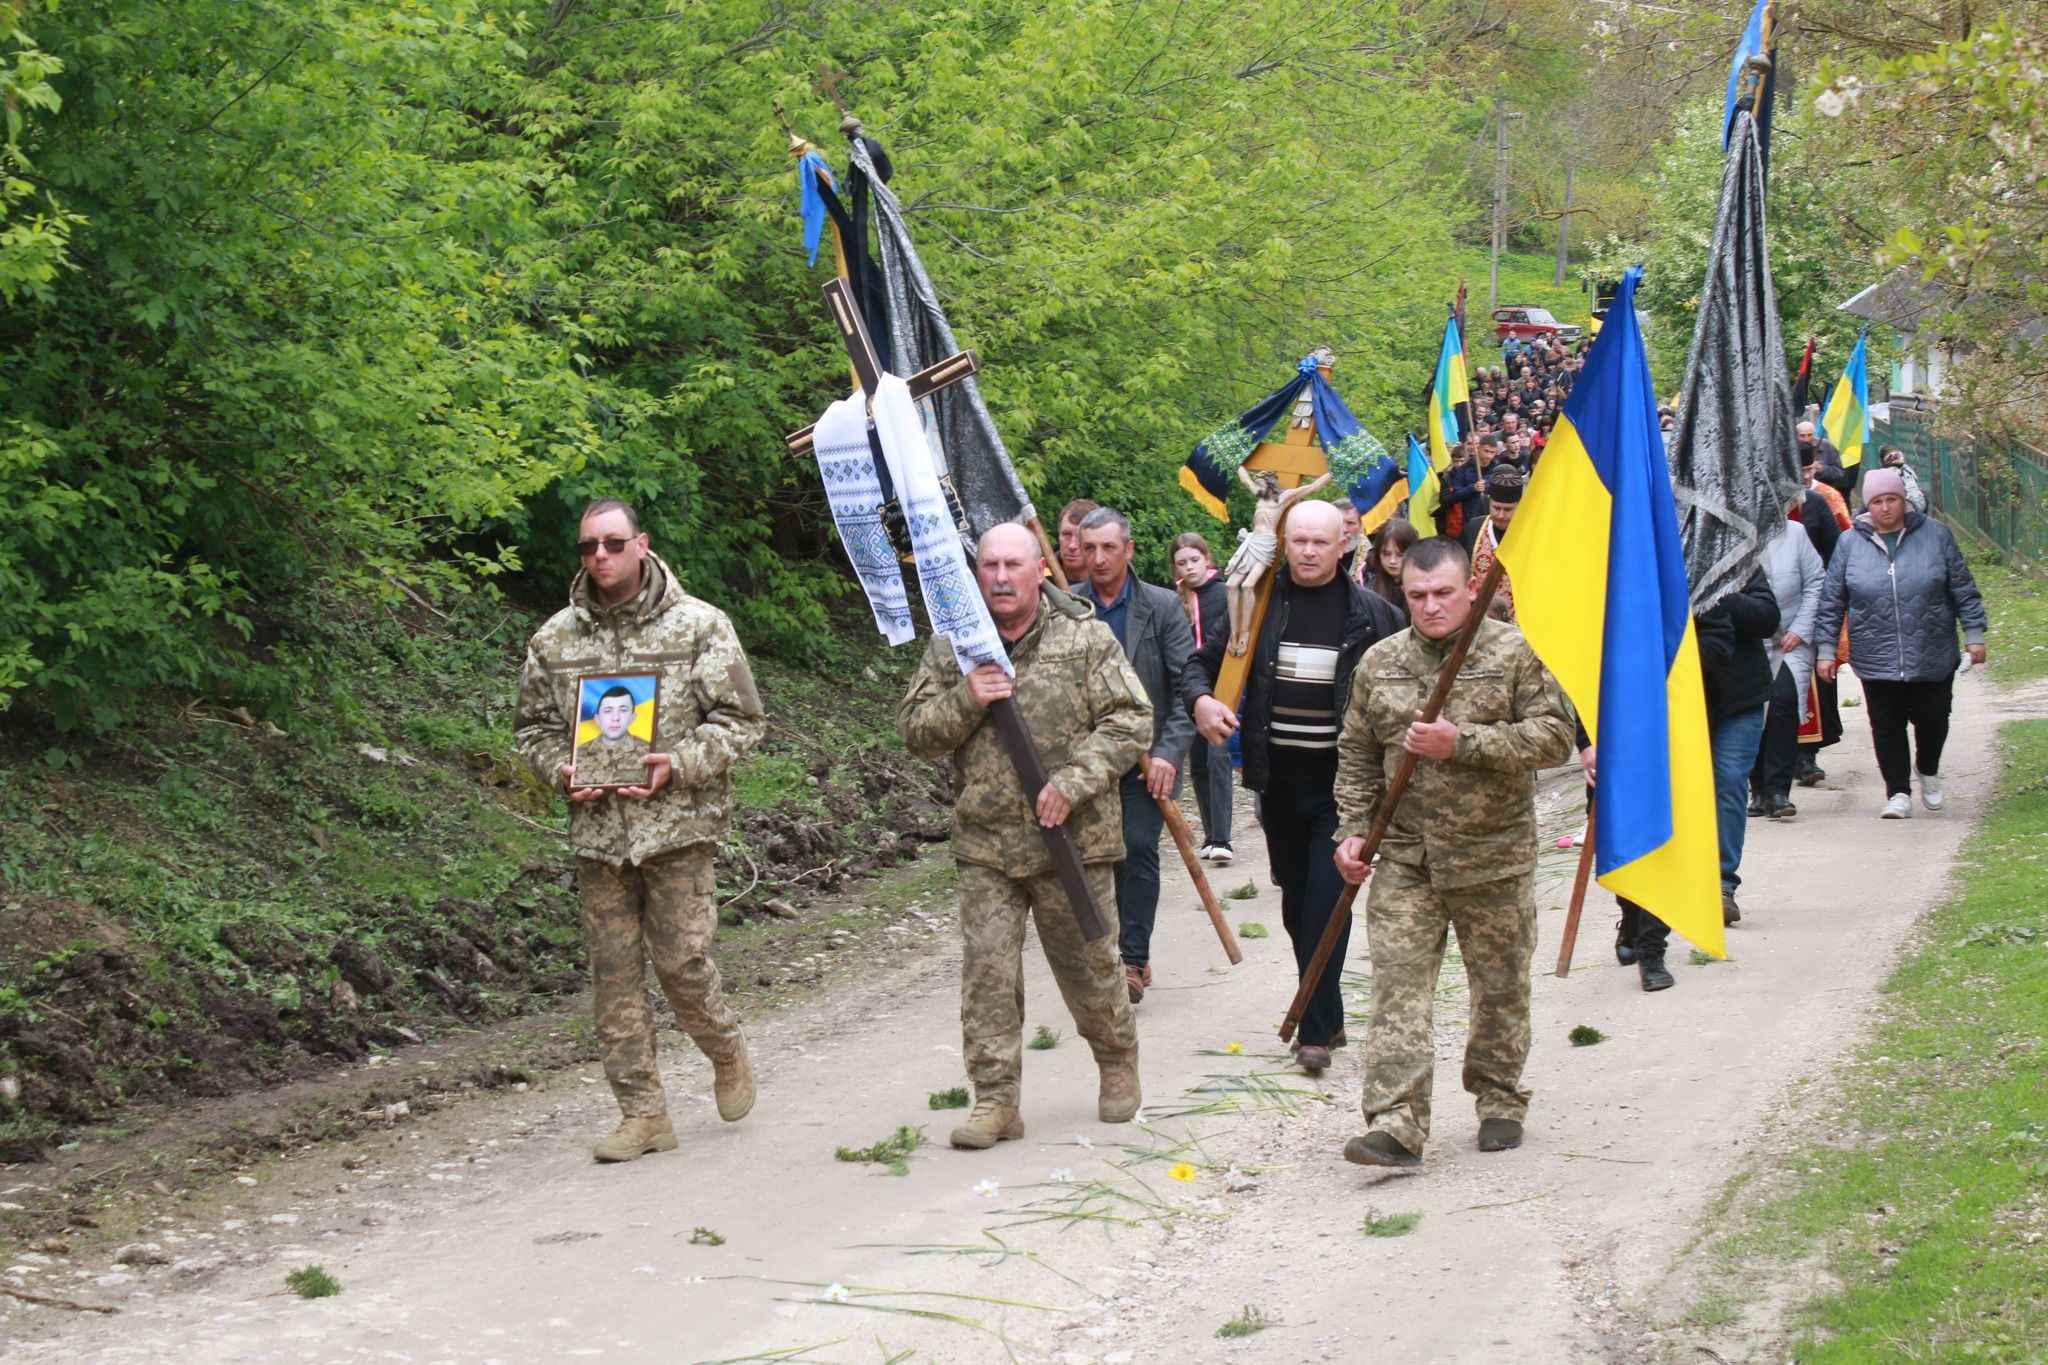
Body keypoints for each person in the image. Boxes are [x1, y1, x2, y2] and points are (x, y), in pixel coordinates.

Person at [514, 499, 765, 1163]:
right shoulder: (554, 640)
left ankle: (724, 1046)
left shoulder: (699, 625)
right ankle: (643, 1113)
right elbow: (532, 730)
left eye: (612, 543)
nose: (599, 555)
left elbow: (742, 719)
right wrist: (560, 769)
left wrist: (677, 765)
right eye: (588, 546)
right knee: (614, 977)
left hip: (678, 829)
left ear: (641, 543)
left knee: (682, 964)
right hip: (600, 836)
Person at [898, 523, 1149, 1148]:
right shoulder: (954, 646)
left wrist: (1073, 782)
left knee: (1089, 967)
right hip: (987, 843)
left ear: (1041, 570)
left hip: (1072, 841)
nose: (1001, 577)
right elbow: (915, 731)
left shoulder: (1084, 637)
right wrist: (967, 698)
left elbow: (1130, 720)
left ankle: (1116, 1059)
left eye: (1014, 565)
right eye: (990, 565)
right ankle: (995, 1099)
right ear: (975, 573)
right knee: (987, 973)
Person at [1332, 537, 1574, 1167]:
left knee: (1499, 988)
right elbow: (1357, 751)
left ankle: (1499, 1098)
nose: (1431, 606)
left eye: (1443, 593)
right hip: (1407, 858)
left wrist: (1460, 742)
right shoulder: (1380, 662)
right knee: (1398, 988)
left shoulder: (1514, 652)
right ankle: (1396, 1122)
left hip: (1492, 855)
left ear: (1471, 589)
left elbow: (1555, 738)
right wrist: (1352, 830)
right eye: (1417, 595)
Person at [1185, 501, 1404, 1074]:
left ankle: (1312, 1032)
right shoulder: (1256, 605)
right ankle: (1330, 1017)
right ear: (1285, 543)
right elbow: (1199, 666)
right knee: (1297, 902)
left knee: (1327, 900)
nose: (1308, 551)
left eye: (1319, 542)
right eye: (1299, 540)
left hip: (1344, 790)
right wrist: (1202, 701)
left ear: (1342, 546)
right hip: (1277, 784)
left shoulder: (1374, 616)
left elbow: (1414, 675)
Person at [1815, 468, 1988, 818]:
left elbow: (1962, 588)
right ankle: (1897, 792)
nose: (1885, 508)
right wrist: (1826, 650)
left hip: (1931, 649)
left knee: (1933, 717)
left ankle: (1928, 769)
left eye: (1892, 499)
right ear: (1867, 505)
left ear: (1903, 500)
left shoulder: (1936, 535)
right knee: (1886, 725)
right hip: (1875, 651)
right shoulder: (1850, 543)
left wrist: (1974, 634)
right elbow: (1832, 600)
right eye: (1877, 501)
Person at [1075, 507, 1197, 1003]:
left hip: (1147, 760)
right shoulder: (1067, 606)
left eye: (1109, 547)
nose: (1099, 558)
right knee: (1096, 859)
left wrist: (1168, 753)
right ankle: (1106, 956)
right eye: (1089, 548)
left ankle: (1131, 959)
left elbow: (1189, 687)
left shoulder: (1162, 606)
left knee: (1137, 845)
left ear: (1128, 549)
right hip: (1088, 761)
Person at [1698, 570, 1781, 924]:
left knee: (1729, 778)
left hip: (1739, 698)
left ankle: (1722, 884)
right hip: (1679, 700)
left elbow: (1767, 618)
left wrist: (1716, 589)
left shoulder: (1737, 559)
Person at [1747, 519, 1824, 820]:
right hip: (1749, 643)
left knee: (1783, 702)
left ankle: (1778, 791)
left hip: (1791, 642)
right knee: (1752, 708)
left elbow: (1816, 582)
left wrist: (1801, 629)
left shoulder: (1796, 533)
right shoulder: (1733, 533)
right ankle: (1758, 789)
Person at [1171, 532, 1235, 866]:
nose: (1189, 567)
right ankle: (1210, 837)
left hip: (1222, 684)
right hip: (1190, 688)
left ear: (1207, 559)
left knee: (1217, 756)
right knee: (1197, 762)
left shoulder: (1224, 594)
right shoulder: (1175, 601)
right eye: (1182, 563)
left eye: (1194, 560)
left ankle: (1223, 837)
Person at [1224, 467, 1333, 655]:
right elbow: (1245, 480)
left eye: (1260, 482)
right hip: (1252, 543)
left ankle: (1244, 633)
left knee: (1248, 586)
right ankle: (1233, 633)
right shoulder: (1260, 496)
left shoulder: (1283, 498)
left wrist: (1331, 473)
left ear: (1269, 483)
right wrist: (1236, 461)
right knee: (1230, 585)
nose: (1257, 486)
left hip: (1266, 545)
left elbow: (1312, 487)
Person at [1467, 469, 1523, 623]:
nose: (1501, 515)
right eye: (1496, 508)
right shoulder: (1474, 528)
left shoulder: (1532, 534)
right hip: (1481, 622)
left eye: (1508, 510)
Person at [572, 685, 654, 788]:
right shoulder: (577, 755)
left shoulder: (650, 753)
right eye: (608, 711)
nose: (615, 718)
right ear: (597, 719)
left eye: (623, 710)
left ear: (633, 718)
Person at [1363, 517, 1418, 620]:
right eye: (1386, 553)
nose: (1392, 561)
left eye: (1400, 554)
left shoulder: (1424, 584)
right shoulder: (1367, 581)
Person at [1798, 421, 1853, 497]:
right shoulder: (1790, 450)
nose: (1806, 439)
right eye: (1802, 436)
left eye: (1809, 435)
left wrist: (1822, 469)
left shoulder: (1827, 446)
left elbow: (1839, 472)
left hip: (1825, 494)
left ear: (1815, 434)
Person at [1055, 498, 1098, 587]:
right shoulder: (1037, 576)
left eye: (1080, 537)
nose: (1072, 545)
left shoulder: (1115, 583)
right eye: (1066, 534)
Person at [1877, 446, 1927, 511]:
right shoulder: (1908, 470)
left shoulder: (1888, 473)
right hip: (1922, 502)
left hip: (1909, 507)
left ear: (1882, 461)